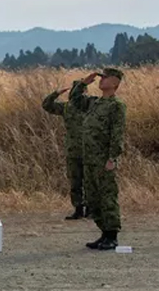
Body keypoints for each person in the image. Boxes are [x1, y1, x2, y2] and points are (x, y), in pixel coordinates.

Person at [68, 68, 126, 250]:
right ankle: (103, 233)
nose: (102, 81)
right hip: (89, 159)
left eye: (106, 78)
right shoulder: (94, 103)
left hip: (103, 159)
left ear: (115, 83)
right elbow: (74, 100)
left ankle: (112, 235)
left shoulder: (116, 105)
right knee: (93, 199)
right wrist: (84, 83)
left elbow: (117, 134)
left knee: (107, 196)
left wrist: (112, 157)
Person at [42, 80, 89, 220]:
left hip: (90, 149)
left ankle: (91, 209)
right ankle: (78, 209)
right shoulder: (67, 107)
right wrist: (56, 93)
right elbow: (46, 105)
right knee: (75, 181)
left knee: (90, 182)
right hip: (73, 149)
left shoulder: (91, 106)